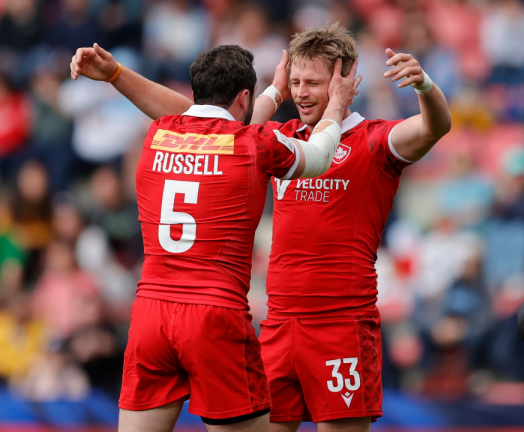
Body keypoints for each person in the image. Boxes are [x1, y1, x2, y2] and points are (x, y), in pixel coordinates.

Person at [71, 22, 450, 432]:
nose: (301, 92)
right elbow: (200, 118)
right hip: (277, 326)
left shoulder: (374, 139)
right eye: (296, 81)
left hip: (340, 323)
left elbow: (435, 128)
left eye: (314, 83)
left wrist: (425, 87)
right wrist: (117, 75)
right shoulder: (275, 139)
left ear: (345, 80)